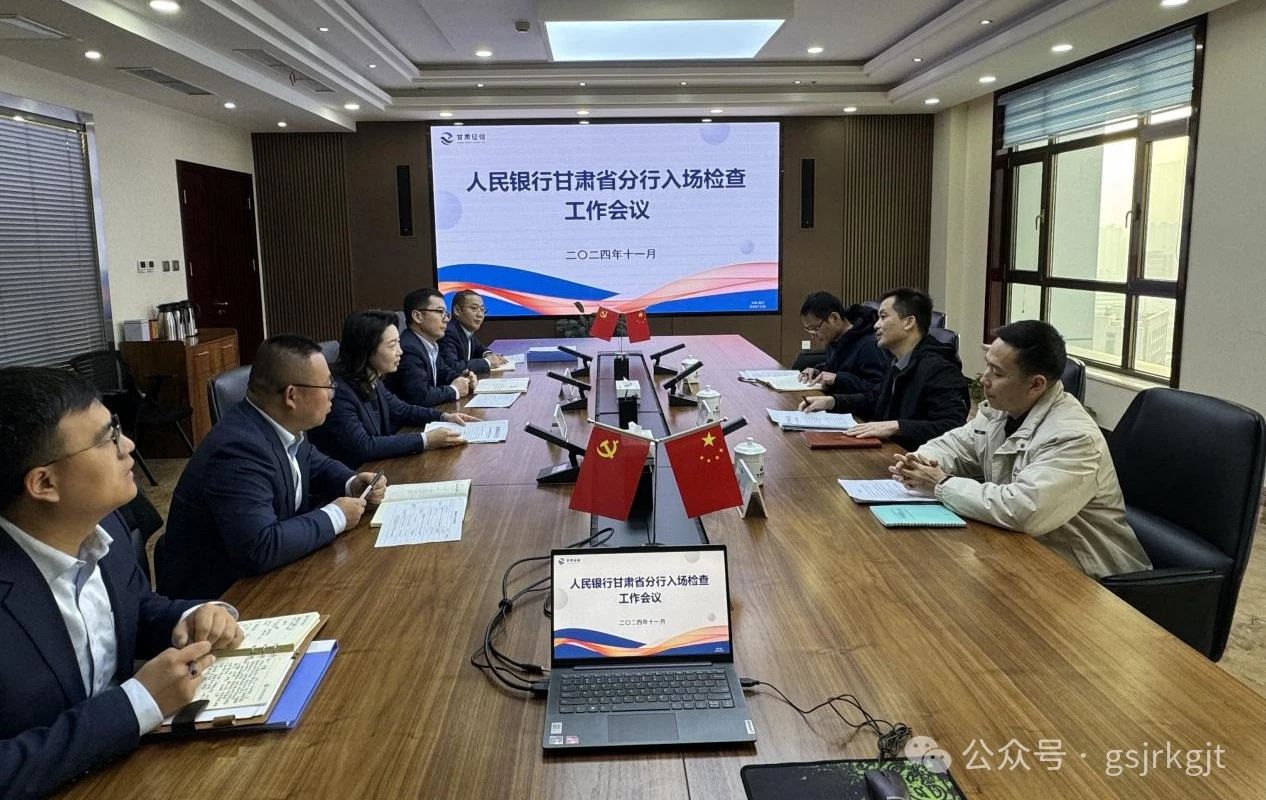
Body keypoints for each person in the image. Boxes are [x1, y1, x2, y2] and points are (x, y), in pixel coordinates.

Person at [0, 367, 243, 797]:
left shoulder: (101, 524)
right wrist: (137, 704)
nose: (128, 445)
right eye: (107, 439)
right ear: (44, 482)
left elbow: (132, 610)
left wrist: (191, 616)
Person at [890, 320, 1151, 579]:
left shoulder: (1074, 437)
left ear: (1036, 384)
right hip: (1023, 553)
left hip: (1086, 575)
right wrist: (921, 462)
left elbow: (1024, 510)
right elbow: (956, 445)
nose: (984, 379)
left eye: (997, 373)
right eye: (987, 365)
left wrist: (941, 484)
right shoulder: (1003, 409)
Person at [157, 335, 388, 600]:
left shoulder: (284, 423)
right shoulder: (238, 449)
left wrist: (351, 482)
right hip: (223, 599)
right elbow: (260, 546)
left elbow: (313, 461)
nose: (332, 393)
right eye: (327, 385)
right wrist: (336, 515)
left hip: (273, 576)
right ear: (292, 396)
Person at [800, 288, 968, 449]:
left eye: (883, 317)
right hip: (890, 449)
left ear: (909, 322)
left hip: (915, 458)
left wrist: (896, 426)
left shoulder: (940, 369)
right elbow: (875, 398)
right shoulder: (897, 361)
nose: (876, 325)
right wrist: (832, 402)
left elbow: (954, 427)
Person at [308, 310, 478, 469]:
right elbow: (364, 446)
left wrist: (444, 417)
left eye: (398, 343)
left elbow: (402, 409)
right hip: (355, 476)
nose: (400, 352)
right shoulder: (339, 391)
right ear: (366, 349)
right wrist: (426, 440)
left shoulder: (372, 377)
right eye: (392, 345)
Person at [388, 288, 477, 406]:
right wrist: (455, 390)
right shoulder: (409, 348)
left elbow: (444, 372)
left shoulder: (429, 344)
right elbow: (420, 397)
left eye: (446, 313)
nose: (446, 319)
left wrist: (464, 379)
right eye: (440, 312)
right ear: (417, 316)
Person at [796, 292, 888, 393]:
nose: (812, 335)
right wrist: (817, 372)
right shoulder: (833, 340)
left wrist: (838, 379)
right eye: (809, 330)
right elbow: (832, 369)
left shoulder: (869, 344)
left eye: (815, 328)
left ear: (834, 318)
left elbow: (878, 389)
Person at [440, 289, 508, 375]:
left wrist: (489, 354)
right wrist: (488, 362)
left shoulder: (465, 330)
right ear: (457, 310)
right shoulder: (449, 333)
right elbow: (453, 367)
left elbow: (480, 348)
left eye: (482, 310)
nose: (480, 315)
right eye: (474, 308)